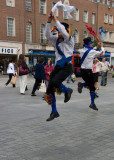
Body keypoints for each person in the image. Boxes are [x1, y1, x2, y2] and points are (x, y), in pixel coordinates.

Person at [44, 11, 74, 121]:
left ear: (65, 31)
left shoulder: (70, 39)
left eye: (60, 31)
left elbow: (63, 31)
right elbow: (47, 34)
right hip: (58, 66)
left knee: (56, 82)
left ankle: (67, 90)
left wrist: (56, 19)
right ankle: (54, 112)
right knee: (50, 89)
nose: (59, 33)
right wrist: (49, 21)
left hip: (67, 66)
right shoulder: (56, 41)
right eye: (58, 32)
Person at [77, 37, 105, 111]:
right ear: (88, 45)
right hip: (88, 71)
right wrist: (102, 47)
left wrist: (97, 46)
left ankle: (82, 85)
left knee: (89, 83)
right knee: (92, 88)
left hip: (82, 71)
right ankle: (92, 103)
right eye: (90, 44)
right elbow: (102, 53)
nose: (92, 44)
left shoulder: (81, 50)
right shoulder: (92, 52)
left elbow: (91, 50)